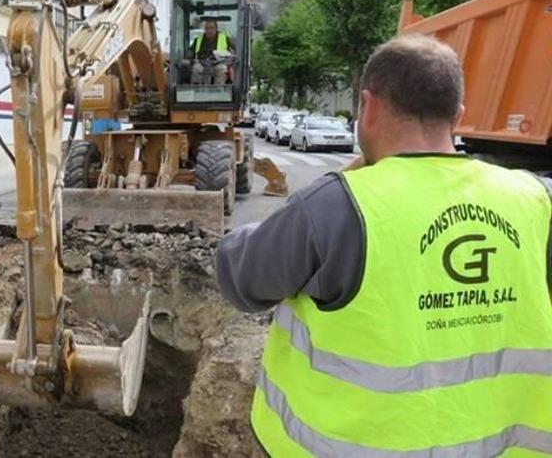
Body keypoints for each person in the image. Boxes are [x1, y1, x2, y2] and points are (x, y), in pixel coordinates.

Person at [215, 35, 552, 457]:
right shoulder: (534, 199)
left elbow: (240, 279)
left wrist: (331, 185)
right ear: (458, 116)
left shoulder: (339, 204)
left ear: (368, 105)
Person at [187, 19, 234, 85]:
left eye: (211, 28)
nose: (209, 30)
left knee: (222, 69)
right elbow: (191, 51)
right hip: (201, 63)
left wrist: (229, 60)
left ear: (216, 29)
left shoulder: (225, 39)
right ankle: (196, 90)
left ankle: (219, 91)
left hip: (218, 63)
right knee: (196, 68)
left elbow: (233, 52)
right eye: (207, 28)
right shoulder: (198, 39)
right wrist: (189, 55)